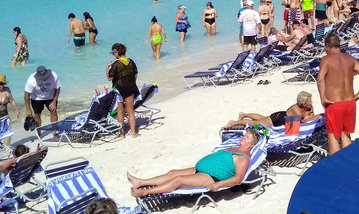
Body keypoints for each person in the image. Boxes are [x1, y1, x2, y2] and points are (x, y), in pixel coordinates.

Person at [127, 129, 259, 197]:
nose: (243, 138)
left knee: (178, 180)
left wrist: (218, 184)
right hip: (201, 170)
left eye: (247, 138)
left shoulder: (243, 157)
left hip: (212, 177)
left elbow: (238, 178)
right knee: (172, 173)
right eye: (244, 136)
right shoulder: (235, 147)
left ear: (252, 145)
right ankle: (141, 182)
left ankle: (145, 192)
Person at [317, 33, 359, 155]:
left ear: (327, 47)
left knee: (333, 139)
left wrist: (323, 98)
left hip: (335, 104)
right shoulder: (349, 59)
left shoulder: (326, 59)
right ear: (338, 45)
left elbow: (320, 79)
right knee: (345, 136)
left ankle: (336, 170)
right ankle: (347, 165)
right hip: (350, 103)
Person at [223, 91, 321, 128]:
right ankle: (233, 123)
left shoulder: (309, 107)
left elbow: (310, 119)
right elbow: (304, 121)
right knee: (257, 123)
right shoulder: (296, 109)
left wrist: (312, 115)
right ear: (303, 104)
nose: (311, 103)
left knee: (262, 118)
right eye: (309, 101)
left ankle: (244, 114)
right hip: (277, 119)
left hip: (282, 116)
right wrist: (318, 115)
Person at [106, 43, 139, 138]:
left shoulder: (116, 64)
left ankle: (122, 134)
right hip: (130, 88)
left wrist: (107, 68)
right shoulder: (131, 62)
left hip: (119, 89)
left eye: (113, 52)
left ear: (117, 52)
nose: (113, 54)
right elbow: (135, 74)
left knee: (120, 112)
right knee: (130, 111)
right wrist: (131, 82)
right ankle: (133, 133)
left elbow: (109, 78)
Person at [24, 65, 61, 134]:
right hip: (36, 97)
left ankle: (54, 131)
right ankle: (39, 133)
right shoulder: (31, 80)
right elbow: (27, 95)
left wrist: (54, 101)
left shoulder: (54, 76)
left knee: (53, 111)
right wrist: (28, 109)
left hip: (50, 96)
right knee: (37, 114)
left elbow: (57, 89)